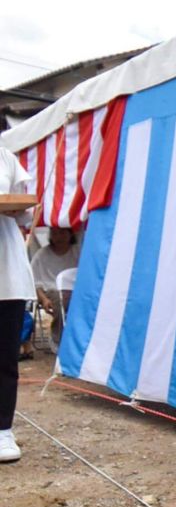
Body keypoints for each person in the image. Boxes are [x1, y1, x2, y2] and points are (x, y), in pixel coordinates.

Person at [0, 145, 36, 463]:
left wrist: (15, 208)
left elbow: (26, 211)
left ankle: (2, 431)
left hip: (6, 271)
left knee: (5, 357)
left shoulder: (5, 157)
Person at [31, 227, 81, 350]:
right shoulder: (41, 255)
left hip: (75, 290)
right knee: (60, 300)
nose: (59, 237)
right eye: (55, 233)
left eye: (62, 233)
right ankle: (58, 337)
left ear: (70, 235)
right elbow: (35, 282)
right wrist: (43, 299)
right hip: (51, 290)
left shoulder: (78, 252)